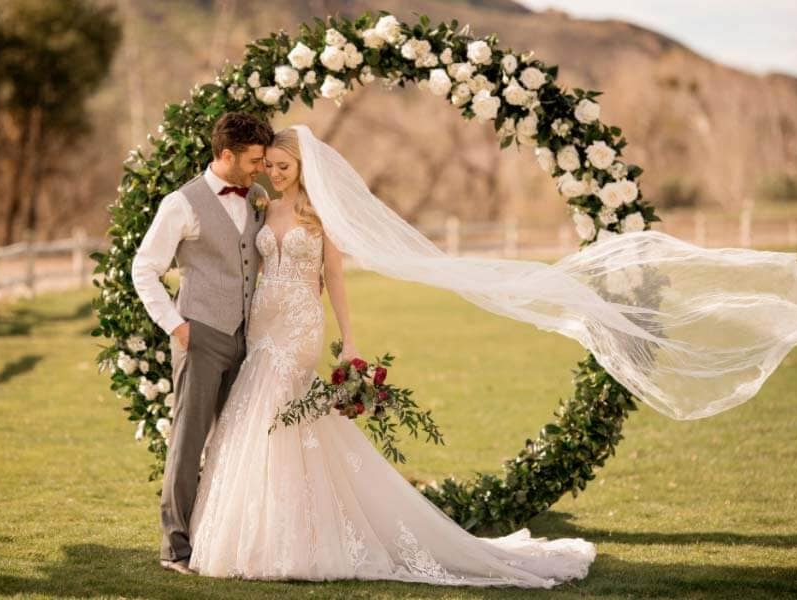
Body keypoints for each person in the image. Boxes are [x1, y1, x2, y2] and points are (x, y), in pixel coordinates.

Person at [186, 127, 598, 588]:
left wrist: (350, 340)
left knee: (279, 404)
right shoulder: (261, 208)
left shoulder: (320, 213)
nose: (275, 174)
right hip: (264, 320)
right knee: (257, 415)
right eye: (271, 166)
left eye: (285, 167)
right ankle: (261, 534)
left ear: (303, 167)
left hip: (301, 323)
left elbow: (335, 279)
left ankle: (290, 540)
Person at [130, 112, 273, 575]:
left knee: (236, 442)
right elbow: (143, 269)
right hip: (201, 334)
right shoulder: (182, 203)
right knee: (189, 443)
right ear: (225, 155)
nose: (260, 169)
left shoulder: (257, 197)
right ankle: (175, 547)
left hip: (247, 337)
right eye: (253, 161)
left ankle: (220, 538)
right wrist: (177, 326)